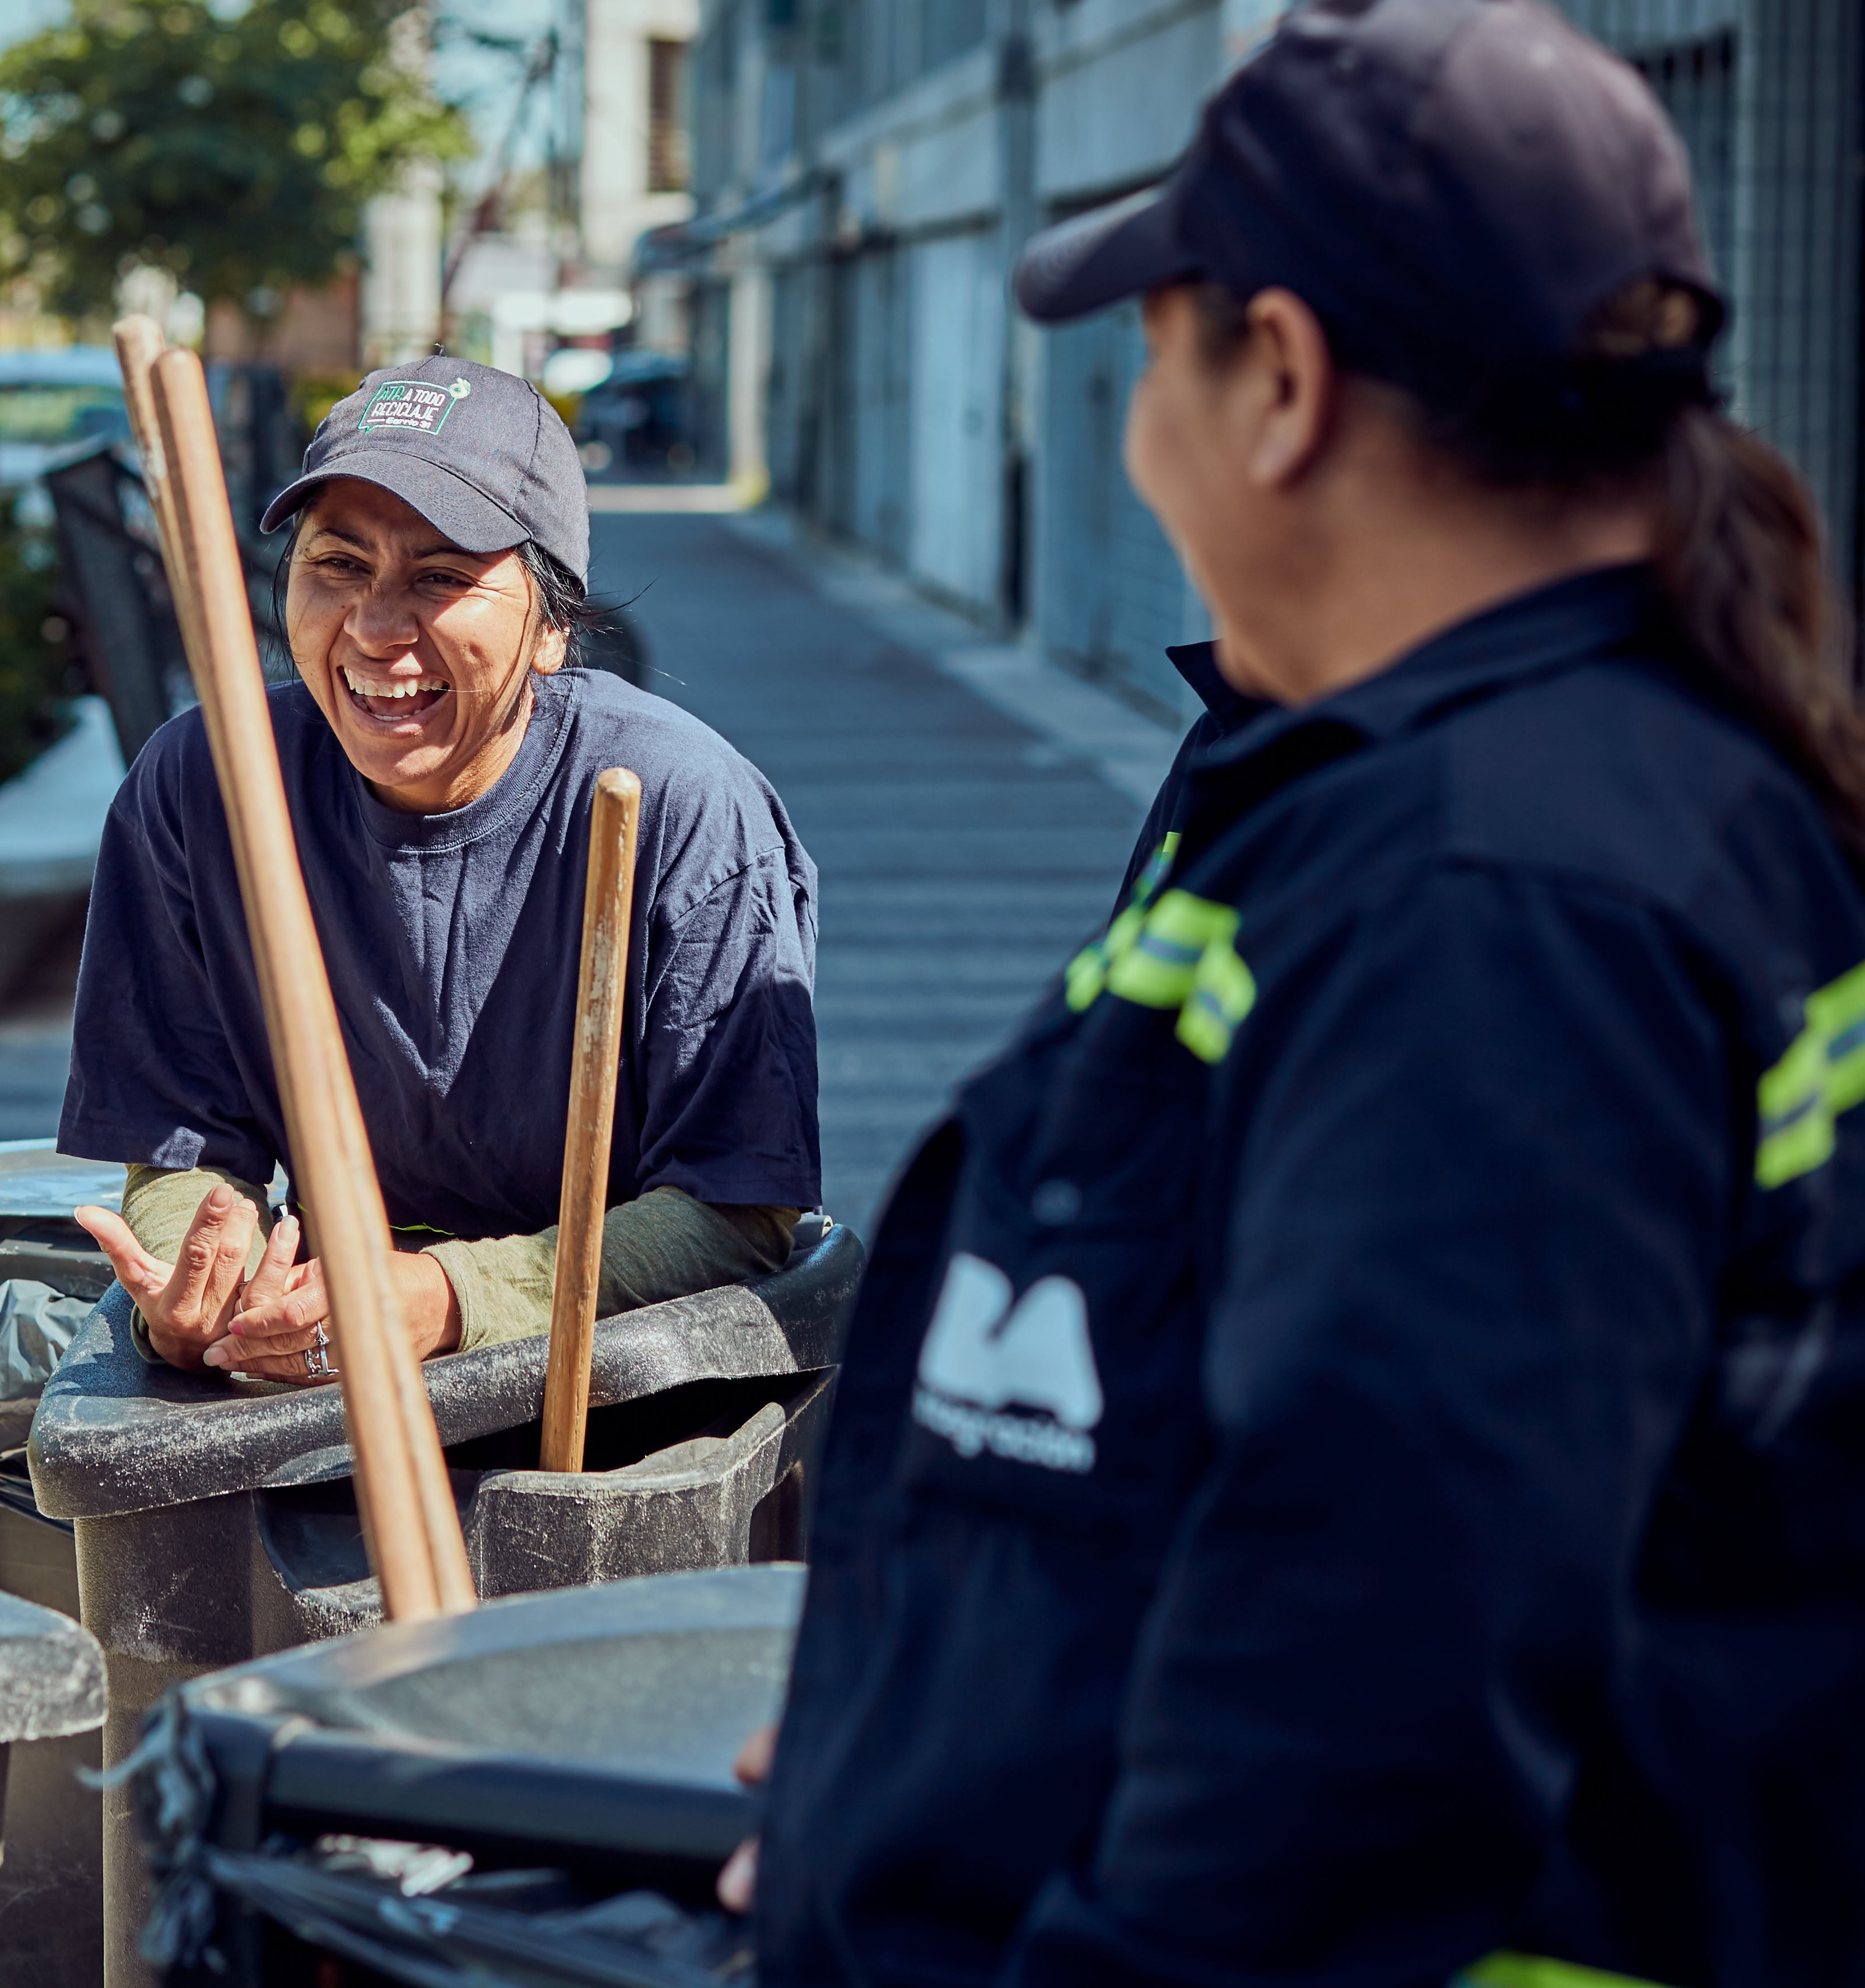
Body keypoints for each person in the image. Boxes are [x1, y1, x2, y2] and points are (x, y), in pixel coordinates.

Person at [742, 3, 1865, 1983]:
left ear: (1278, 380)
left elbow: (1360, 1721)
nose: (1131, 430)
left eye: (1142, 355)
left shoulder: (1494, 898)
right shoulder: (1515, 793)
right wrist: (908, 1762)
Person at [62, 356, 821, 1382]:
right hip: (332, 1376)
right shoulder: (204, 788)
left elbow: (742, 1210)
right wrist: (215, 1279)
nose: (377, 630)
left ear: (552, 626)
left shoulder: (680, 809)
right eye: (337, 565)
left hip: (616, 1392)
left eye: (440, 577)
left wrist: (445, 1296)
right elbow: (184, 1148)